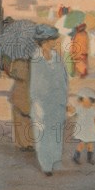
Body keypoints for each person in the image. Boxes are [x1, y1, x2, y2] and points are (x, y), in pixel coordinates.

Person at [30, 25, 68, 176]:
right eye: (52, 39)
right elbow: (36, 86)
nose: (54, 42)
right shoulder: (36, 59)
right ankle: (46, 165)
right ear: (44, 41)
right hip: (42, 103)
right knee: (43, 133)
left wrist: (65, 101)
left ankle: (54, 160)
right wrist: (38, 103)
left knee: (56, 131)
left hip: (57, 101)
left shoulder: (57, 57)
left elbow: (64, 80)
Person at [7, 59, 34, 152]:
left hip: (22, 94)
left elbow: (14, 74)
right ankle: (27, 143)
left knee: (22, 118)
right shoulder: (31, 61)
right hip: (23, 94)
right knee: (25, 117)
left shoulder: (19, 61)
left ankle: (25, 143)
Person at [70, 87, 95, 165]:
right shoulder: (79, 108)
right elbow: (73, 112)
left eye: (88, 101)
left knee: (90, 145)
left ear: (91, 101)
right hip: (83, 130)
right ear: (81, 100)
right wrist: (70, 108)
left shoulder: (92, 110)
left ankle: (89, 159)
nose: (86, 103)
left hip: (90, 130)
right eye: (84, 100)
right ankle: (75, 157)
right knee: (82, 144)